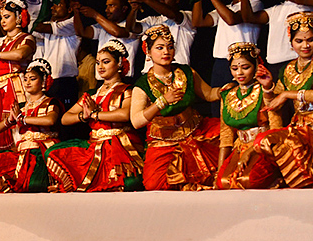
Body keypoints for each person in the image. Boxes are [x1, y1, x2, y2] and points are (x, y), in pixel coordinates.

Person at [129, 25, 223, 190]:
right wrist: (162, 101)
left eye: (170, 47)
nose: (166, 51)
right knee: (154, 185)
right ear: (147, 51)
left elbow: (209, 95)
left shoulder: (186, 72)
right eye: (160, 48)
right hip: (163, 140)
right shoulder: (142, 85)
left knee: (227, 137)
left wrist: (225, 90)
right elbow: (136, 122)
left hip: (195, 131)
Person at [46, 40, 143, 192]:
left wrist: (95, 115)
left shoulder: (126, 90)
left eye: (106, 62)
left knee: (128, 182)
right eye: (98, 63)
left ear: (119, 64)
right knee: (54, 153)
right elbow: (65, 118)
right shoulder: (93, 94)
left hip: (118, 145)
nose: (100, 67)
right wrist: (83, 116)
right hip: (94, 144)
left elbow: (125, 114)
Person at [0, 59, 61, 192]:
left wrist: (23, 119)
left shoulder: (51, 102)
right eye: (26, 79)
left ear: (44, 82)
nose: (27, 82)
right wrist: (11, 120)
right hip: (23, 152)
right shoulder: (22, 107)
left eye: (33, 79)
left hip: (42, 150)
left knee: (33, 183)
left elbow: (50, 121)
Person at [258, 11, 313, 187]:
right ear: (291, 43)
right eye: (299, 41)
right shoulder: (289, 68)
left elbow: (284, 96)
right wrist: (267, 87)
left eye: (310, 39)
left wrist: (288, 94)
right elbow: (274, 104)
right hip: (299, 126)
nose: (305, 45)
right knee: (264, 141)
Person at [216, 43, 281, 189]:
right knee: (223, 182)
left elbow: (276, 128)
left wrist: (251, 151)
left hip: (263, 145)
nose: (239, 73)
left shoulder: (265, 90)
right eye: (234, 68)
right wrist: (218, 171)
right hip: (240, 146)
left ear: (256, 66)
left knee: (248, 180)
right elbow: (226, 136)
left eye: (245, 67)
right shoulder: (227, 94)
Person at [0, 0, 38, 154]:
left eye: (7, 17)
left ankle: (21, 166)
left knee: (17, 128)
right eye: (1, 17)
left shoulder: (27, 38)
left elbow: (20, 55)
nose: (2, 21)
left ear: (19, 17)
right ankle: (3, 169)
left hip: (17, 88)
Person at [198, 0, 264, 87]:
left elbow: (231, 19)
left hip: (243, 61)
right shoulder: (225, 8)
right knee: (218, 100)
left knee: (239, 100)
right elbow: (199, 22)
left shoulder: (254, 3)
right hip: (221, 61)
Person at [74, 0, 141, 75]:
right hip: (102, 78)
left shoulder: (134, 26)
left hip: (122, 77)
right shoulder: (102, 26)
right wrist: (76, 12)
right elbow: (82, 32)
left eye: (111, 6)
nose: (106, 10)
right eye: (106, 6)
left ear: (124, 9)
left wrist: (95, 15)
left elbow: (117, 32)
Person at [33, 0, 81, 104]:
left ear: (69, 9)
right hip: (49, 79)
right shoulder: (48, 25)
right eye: (53, 4)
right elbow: (30, 31)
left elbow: (38, 27)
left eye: (58, 4)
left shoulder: (73, 23)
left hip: (66, 80)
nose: (53, 7)